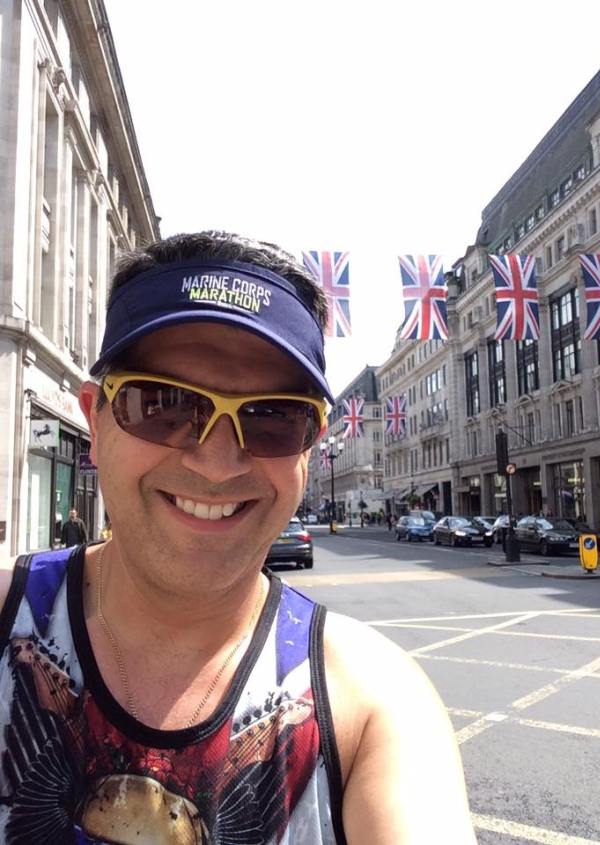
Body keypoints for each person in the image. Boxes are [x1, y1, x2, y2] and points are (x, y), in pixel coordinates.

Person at [0, 231, 475, 843]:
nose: (217, 464)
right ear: (94, 420)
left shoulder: (374, 708)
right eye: (165, 404)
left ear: (311, 446)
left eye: (274, 417)